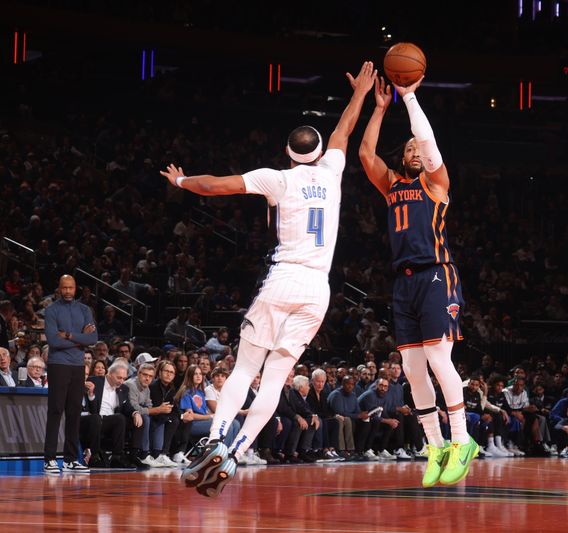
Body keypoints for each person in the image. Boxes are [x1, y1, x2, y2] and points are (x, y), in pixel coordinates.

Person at [161, 61, 376, 497]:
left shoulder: (278, 179)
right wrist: (360, 94)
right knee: (276, 378)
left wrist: (181, 180)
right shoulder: (333, 171)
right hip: (319, 289)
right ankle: (237, 451)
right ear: (318, 151)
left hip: (284, 279)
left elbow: (216, 186)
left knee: (244, 368)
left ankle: (216, 440)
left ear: (288, 151)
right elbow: (344, 132)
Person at [359, 74, 476, 487]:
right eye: (406, 147)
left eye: (416, 148)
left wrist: (408, 98)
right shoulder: (391, 185)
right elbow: (365, 152)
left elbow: (427, 142)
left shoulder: (435, 183)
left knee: (438, 359)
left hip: (436, 276)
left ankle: (462, 441)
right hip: (403, 283)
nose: (413, 150)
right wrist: (377, 107)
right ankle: (435, 446)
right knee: (411, 368)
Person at [43, 275, 98, 474]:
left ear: (76, 289)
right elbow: (53, 341)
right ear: (59, 289)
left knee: (74, 412)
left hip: (77, 365)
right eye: (64, 288)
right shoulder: (51, 310)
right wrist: (80, 339)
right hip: (58, 364)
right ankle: (49, 459)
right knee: (56, 410)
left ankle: (70, 459)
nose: (67, 291)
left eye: (71, 288)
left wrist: (68, 335)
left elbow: (93, 338)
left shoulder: (84, 310)